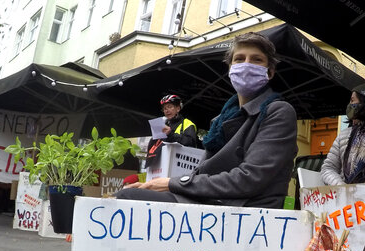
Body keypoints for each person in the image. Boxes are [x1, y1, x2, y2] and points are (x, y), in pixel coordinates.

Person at [117, 32, 298, 208]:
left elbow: (249, 178)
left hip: (245, 208)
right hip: (211, 200)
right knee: (125, 195)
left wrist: (172, 183)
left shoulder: (279, 111)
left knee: (128, 198)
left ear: (270, 72)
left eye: (256, 60)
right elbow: (202, 171)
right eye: (239, 59)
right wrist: (160, 185)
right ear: (230, 68)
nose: (246, 65)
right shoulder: (220, 120)